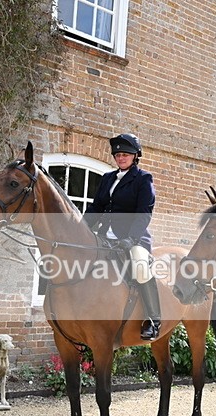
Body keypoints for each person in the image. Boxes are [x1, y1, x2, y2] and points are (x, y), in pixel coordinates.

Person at [84, 133, 161, 341]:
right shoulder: (108, 178)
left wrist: (131, 239)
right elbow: (97, 207)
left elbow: (144, 212)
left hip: (133, 238)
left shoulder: (143, 179)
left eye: (125, 154)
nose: (121, 157)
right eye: (118, 155)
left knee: (141, 266)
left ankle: (153, 320)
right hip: (104, 235)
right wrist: (81, 227)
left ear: (135, 156)